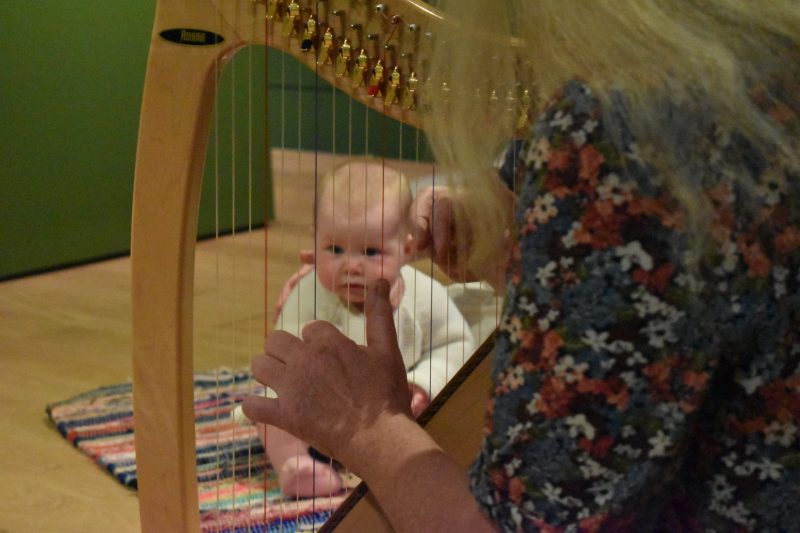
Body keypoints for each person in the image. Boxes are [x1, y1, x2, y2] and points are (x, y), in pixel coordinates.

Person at [243, 1, 800, 530]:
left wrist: (366, 427)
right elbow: (683, 311)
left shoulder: (625, 134)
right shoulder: (768, 72)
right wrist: (521, 248)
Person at [252, 159, 476, 498]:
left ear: (407, 250)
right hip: (321, 414)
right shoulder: (308, 293)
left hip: (398, 418)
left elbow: (458, 344)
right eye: (334, 249)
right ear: (313, 244)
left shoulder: (426, 294)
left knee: (448, 414)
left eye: (371, 252)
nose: (351, 266)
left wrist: (423, 383)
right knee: (268, 406)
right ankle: (295, 466)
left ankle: (414, 470)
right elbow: (288, 357)